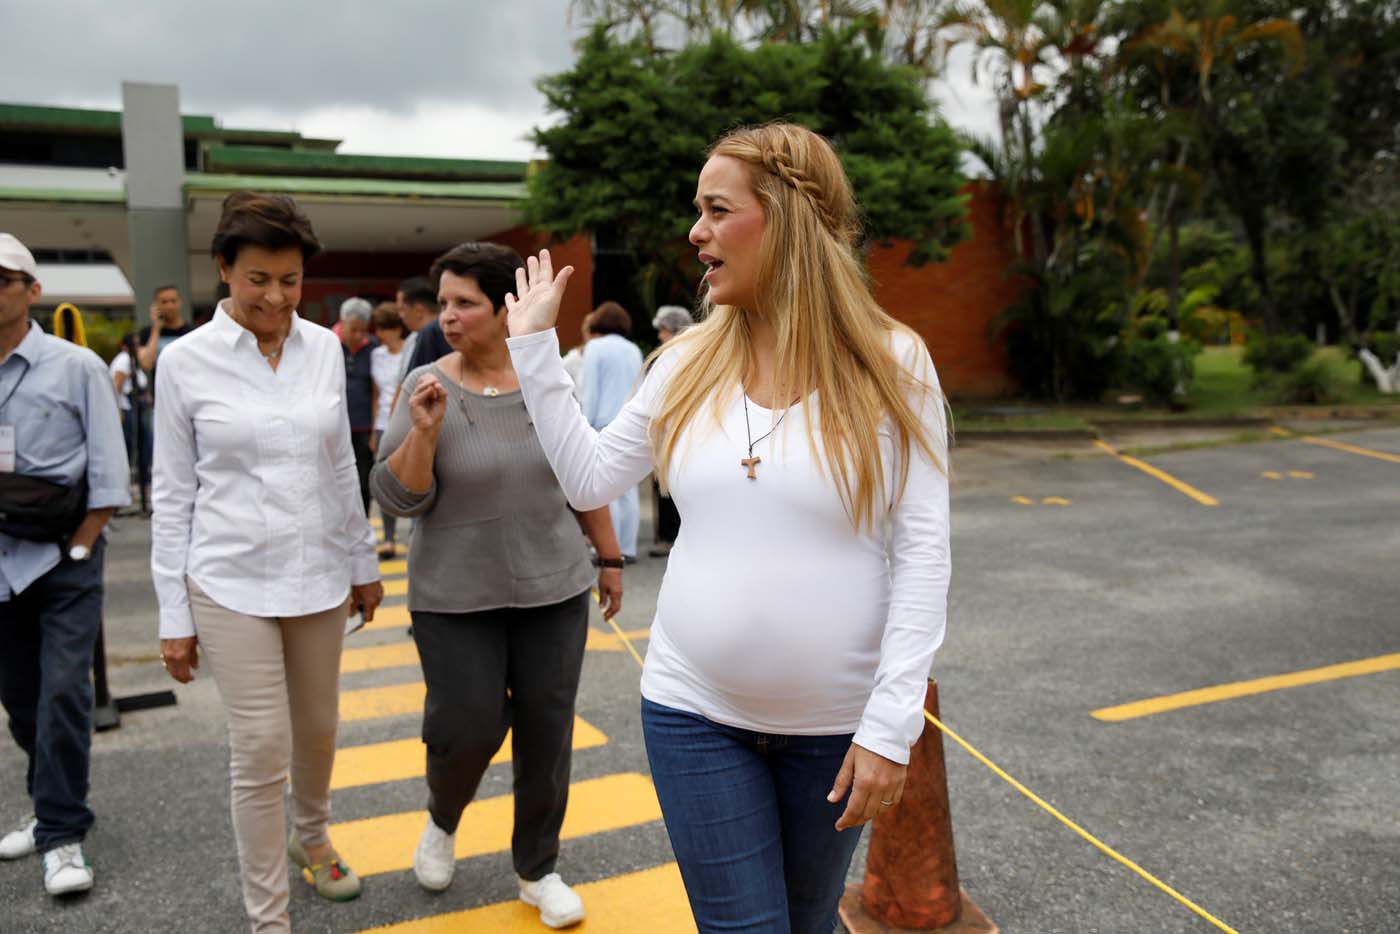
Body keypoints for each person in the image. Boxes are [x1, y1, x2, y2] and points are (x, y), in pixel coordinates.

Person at [502, 123, 951, 934]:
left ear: (785, 219)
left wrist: (893, 729)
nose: (695, 232)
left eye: (716, 210)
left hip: (837, 732)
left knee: (808, 923)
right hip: (693, 715)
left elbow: (923, 555)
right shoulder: (683, 361)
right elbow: (591, 477)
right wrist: (533, 347)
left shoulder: (895, 363)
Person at [369, 241, 624, 931]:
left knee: (548, 729)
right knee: (467, 725)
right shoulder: (426, 381)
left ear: (503, 307)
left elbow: (584, 473)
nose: (447, 316)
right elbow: (397, 497)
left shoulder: (548, 382)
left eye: (464, 303)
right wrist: (423, 434)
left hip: (554, 589)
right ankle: (443, 816)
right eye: (443, 303)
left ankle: (537, 869)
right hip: (454, 595)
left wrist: (609, 557)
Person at [150, 192, 383, 934]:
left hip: (316, 574)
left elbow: (340, 465)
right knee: (259, 748)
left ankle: (312, 838)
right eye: (257, 279)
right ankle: (268, 918)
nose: (275, 297)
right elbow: (172, 492)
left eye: (289, 280)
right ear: (224, 269)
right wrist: (172, 614)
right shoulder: (185, 362)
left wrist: (361, 559)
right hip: (228, 580)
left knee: (317, 730)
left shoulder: (321, 349)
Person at [0, 232, 130, 896]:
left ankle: (62, 834)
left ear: (32, 291)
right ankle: (49, 800)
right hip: (1, 561)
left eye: (3, 279)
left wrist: (81, 544)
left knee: (62, 692)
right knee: (20, 700)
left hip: (63, 557)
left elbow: (110, 474)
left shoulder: (75, 365)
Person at [579, 303, 643, 562]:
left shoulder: (595, 348)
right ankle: (627, 547)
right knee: (629, 489)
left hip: (604, 422)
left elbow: (590, 389)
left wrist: (585, 421)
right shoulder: (634, 349)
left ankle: (607, 549)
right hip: (633, 421)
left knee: (606, 488)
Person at [646, 305, 695, 557]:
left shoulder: (670, 357)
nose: (660, 336)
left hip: (671, 432)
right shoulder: (699, 353)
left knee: (667, 488)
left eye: (663, 330)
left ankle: (669, 537)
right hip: (689, 432)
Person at [369, 302, 407, 558]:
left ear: (396, 329)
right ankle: (389, 536)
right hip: (383, 424)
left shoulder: (409, 350)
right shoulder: (377, 355)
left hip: (406, 422)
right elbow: (377, 393)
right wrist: (374, 429)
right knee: (385, 481)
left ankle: (417, 530)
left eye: (384, 328)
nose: (380, 334)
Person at [337, 297, 377, 515]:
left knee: (363, 479)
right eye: (353, 330)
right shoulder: (326, 342)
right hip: (334, 425)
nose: (359, 336)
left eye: (363, 330)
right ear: (342, 322)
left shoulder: (373, 346)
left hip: (363, 426)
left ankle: (363, 522)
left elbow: (377, 390)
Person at [110, 332, 152, 499]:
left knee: (144, 444)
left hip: (137, 406)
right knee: (132, 445)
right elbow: (117, 385)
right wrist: (118, 410)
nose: (137, 347)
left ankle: (141, 482)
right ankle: (127, 484)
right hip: (127, 408)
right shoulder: (123, 360)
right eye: (134, 344)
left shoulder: (133, 360)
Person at [134, 283, 193, 375]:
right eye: (164, 302)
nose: (170, 306)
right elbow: (146, 364)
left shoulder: (193, 332)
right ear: (155, 305)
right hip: (160, 387)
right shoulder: (147, 333)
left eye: (173, 301)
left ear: (180, 302)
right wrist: (156, 329)